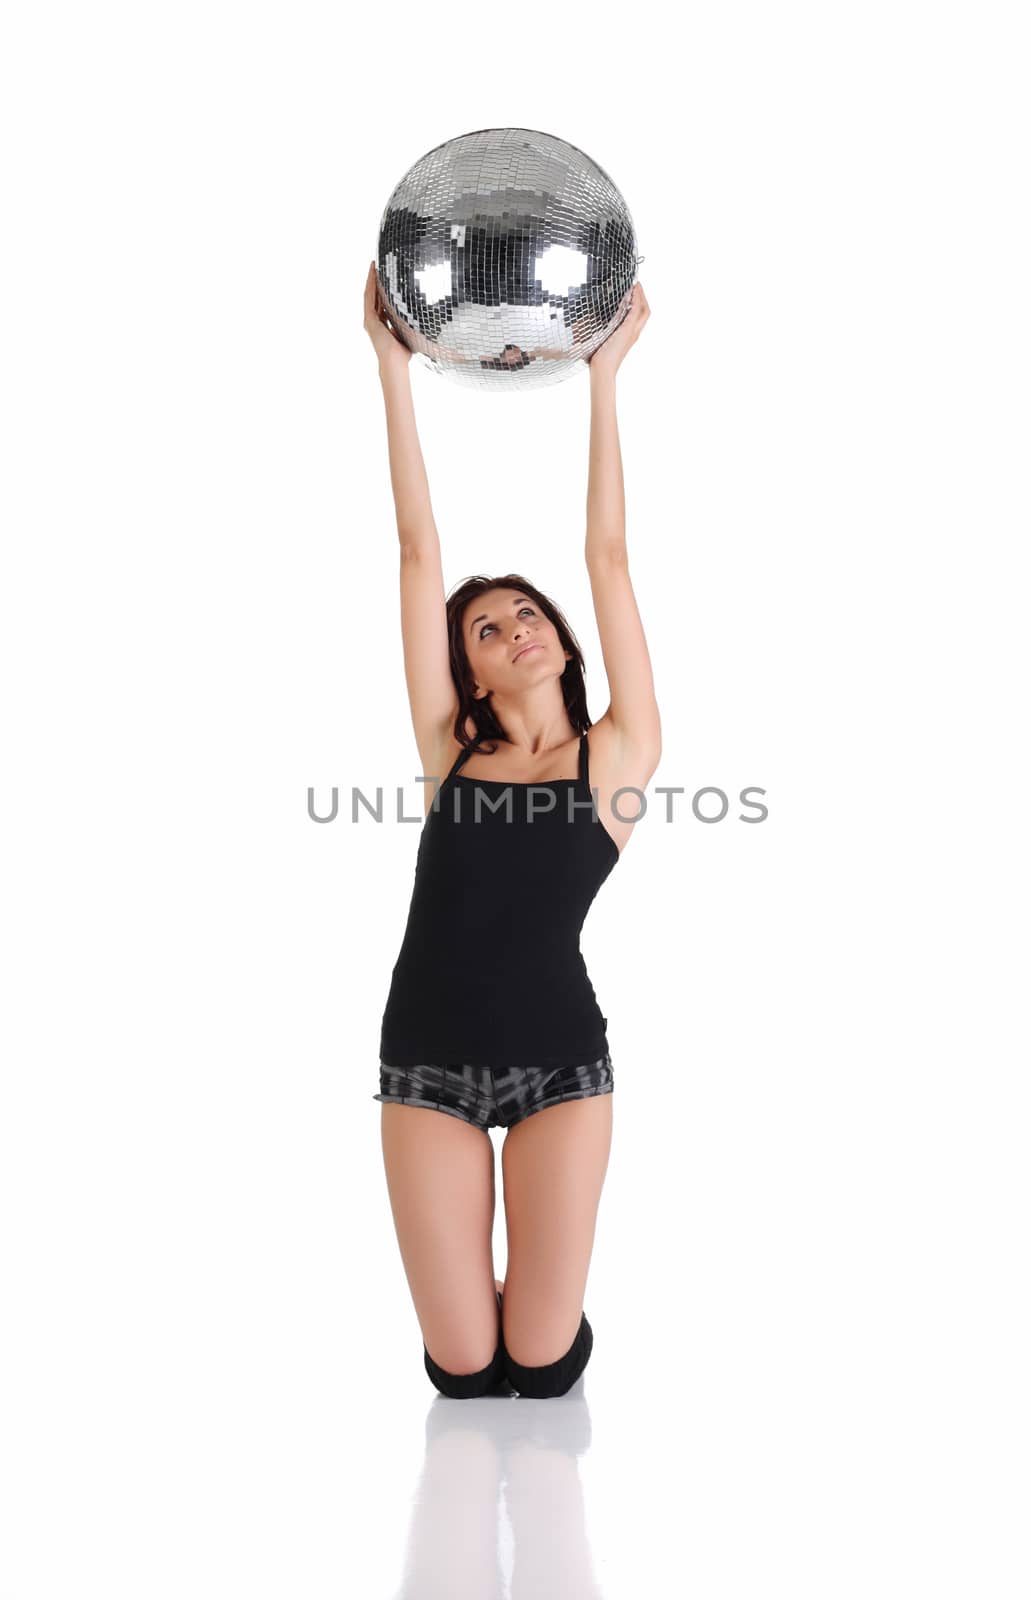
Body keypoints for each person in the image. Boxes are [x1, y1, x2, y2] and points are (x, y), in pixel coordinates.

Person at [362, 260, 660, 1399]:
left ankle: (545, 1332)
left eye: (526, 615)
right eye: (486, 629)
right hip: (424, 1064)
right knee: (460, 1366)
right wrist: (391, 369)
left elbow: (609, 558)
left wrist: (605, 377)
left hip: (559, 1069)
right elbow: (414, 553)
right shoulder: (447, 750)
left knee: (537, 1364)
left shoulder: (618, 755)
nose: (513, 630)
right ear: (468, 669)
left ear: (563, 641)